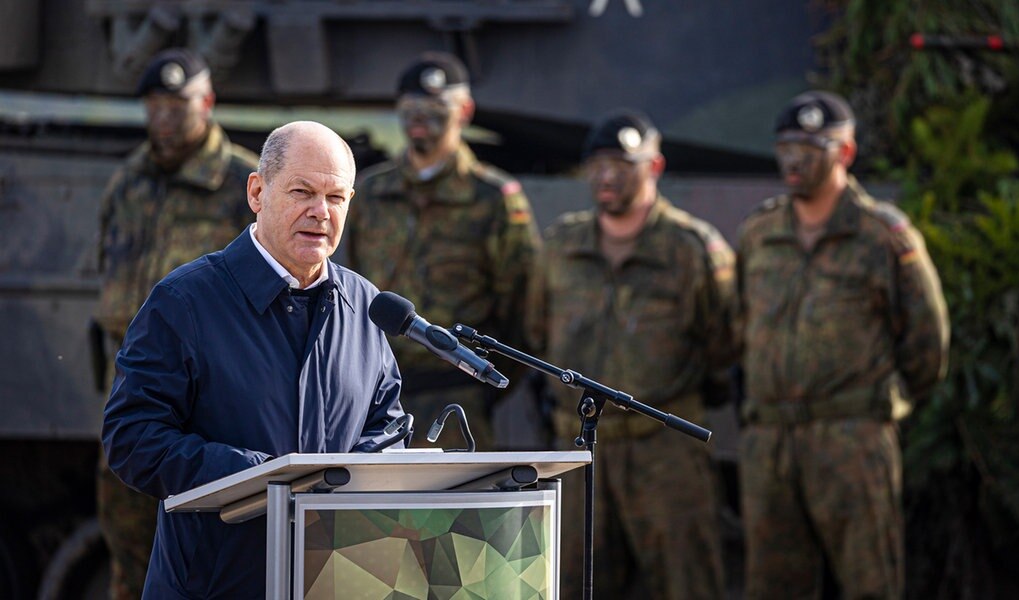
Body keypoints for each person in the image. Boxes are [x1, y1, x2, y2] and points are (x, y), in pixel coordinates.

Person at [101, 121, 405, 598]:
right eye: (302, 191)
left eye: (336, 198)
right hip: (216, 585)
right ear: (257, 192)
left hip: (334, 579)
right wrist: (258, 476)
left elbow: (387, 429)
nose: (320, 212)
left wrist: (346, 483)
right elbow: (132, 437)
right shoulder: (185, 301)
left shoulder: (365, 305)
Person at [736, 91, 950, 599]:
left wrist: (877, 406)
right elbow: (735, 326)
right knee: (772, 585)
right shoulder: (760, 233)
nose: (793, 159)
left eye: (811, 147)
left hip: (851, 438)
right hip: (770, 441)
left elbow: (927, 342)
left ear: (846, 153)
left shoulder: (883, 236)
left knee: (868, 581)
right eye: (786, 146)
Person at [526, 110, 737, 599]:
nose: (606, 176)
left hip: (664, 452)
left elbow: (723, 344)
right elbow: (536, 332)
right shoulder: (560, 248)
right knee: (571, 583)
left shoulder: (692, 249)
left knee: (686, 581)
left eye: (623, 164)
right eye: (596, 164)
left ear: (654, 167)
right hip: (576, 451)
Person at [94, 47, 259, 600]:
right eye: (156, 104)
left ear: (207, 103)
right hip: (137, 380)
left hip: (214, 388)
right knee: (127, 537)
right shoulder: (129, 181)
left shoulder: (243, 181)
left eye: (179, 103)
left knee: (212, 544)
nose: (165, 116)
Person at [346, 51, 540, 450]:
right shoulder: (370, 192)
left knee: (453, 513)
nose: (421, 118)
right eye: (412, 107)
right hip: (376, 398)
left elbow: (524, 309)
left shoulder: (494, 198)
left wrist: (486, 383)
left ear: (465, 110)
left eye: (436, 107)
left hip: (457, 400)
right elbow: (349, 288)